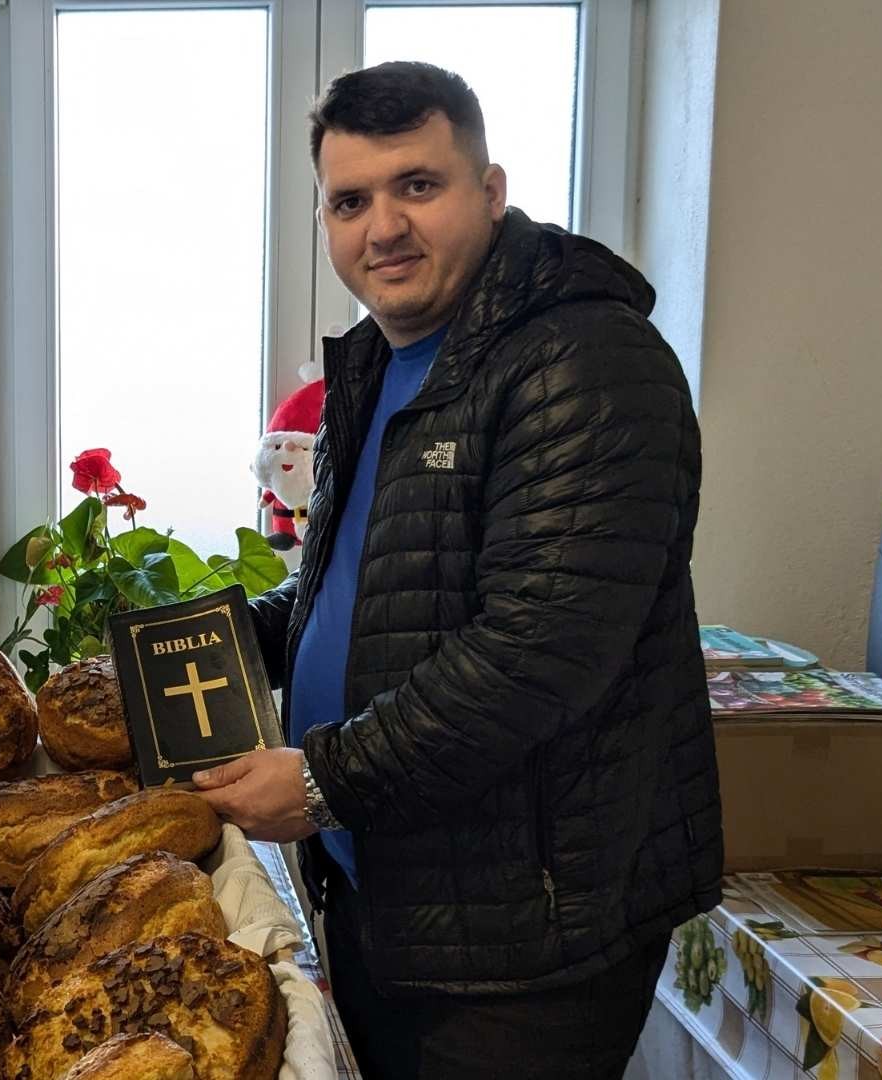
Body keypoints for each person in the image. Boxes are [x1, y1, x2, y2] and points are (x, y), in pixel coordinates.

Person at [192, 63, 722, 1079]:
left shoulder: (583, 360)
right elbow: (365, 583)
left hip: (524, 933)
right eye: (351, 200)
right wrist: (216, 636)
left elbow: (539, 648)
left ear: (490, 189)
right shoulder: (387, 360)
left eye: (417, 185)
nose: (382, 226)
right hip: (393, 884)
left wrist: (321, 778)